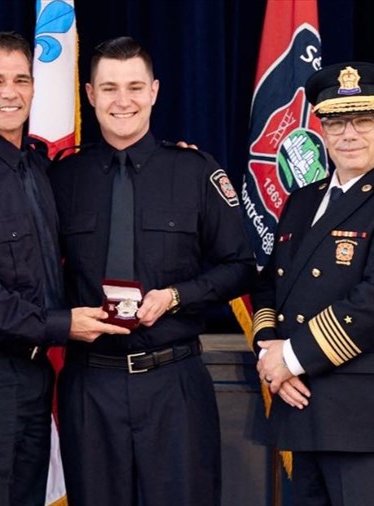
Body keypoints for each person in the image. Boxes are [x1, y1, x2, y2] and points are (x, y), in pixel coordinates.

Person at [0, 31, 129, 506]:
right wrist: (59, 324)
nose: (9, 92)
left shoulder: (36, 169)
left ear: (34, 88)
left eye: (20, 79)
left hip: (32, 378)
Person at [49, 36, 256, 506]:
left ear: (155, 91)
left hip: (173, 381)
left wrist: (176, 296)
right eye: (110, 88)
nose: (123, 100)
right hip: (91, 383)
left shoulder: (194, 171)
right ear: (90, 94)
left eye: (135, 87)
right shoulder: (61, 177)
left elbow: (240, 267)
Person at [252, 61, 374, 506]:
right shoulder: (302, 202)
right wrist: (270, 351)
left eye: (363, 121)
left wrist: (291, 358)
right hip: (306, 413)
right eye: (335, 122)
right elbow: (270, 287)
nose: (348, 134)